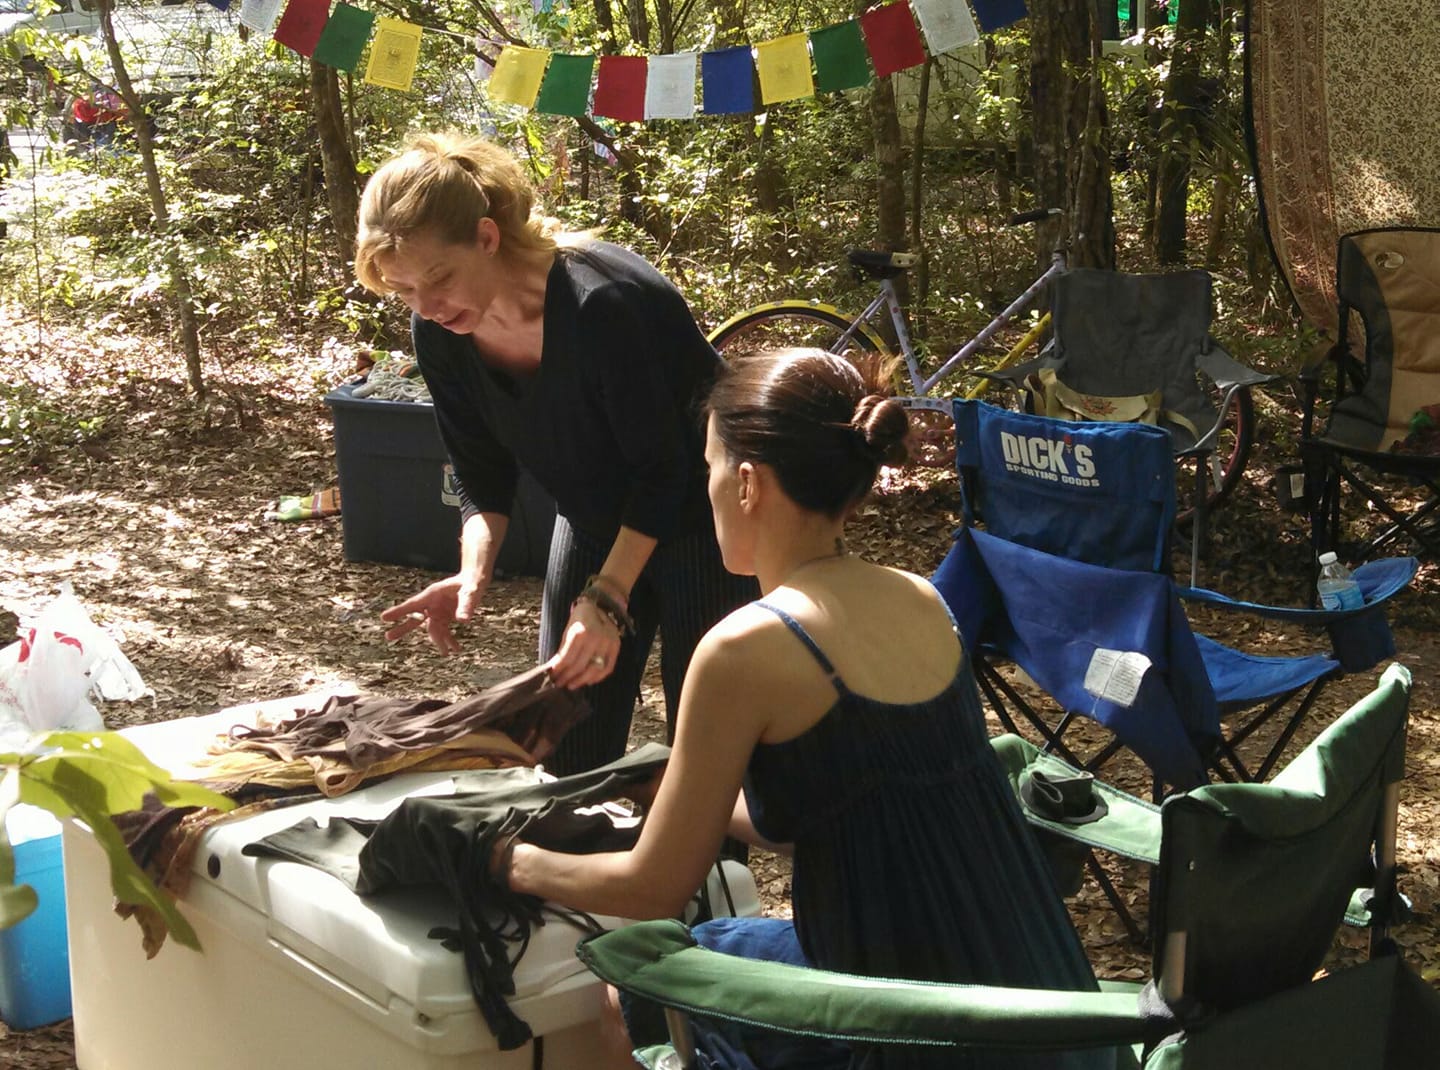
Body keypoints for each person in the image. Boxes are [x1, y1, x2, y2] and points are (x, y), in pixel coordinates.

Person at [499, 348, 1118, 1069]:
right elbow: (858, 803)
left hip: (905, 1024)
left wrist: (507, 861)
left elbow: (650, 887)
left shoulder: (744, 648)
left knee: (619, 993)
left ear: (748, 483)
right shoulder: (923, 597)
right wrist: (670, 786)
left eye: (710, 468)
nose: (707, 487)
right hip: (1039, 999)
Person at [354, 131, 757, 776]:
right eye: (404, 291)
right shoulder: (441, 333)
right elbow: (480, 471)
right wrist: (473, 570)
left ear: (487, 237)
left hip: (706, 521)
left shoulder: (604, 303)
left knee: (706, 752)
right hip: (594, 517)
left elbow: (665, 473)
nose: (426, 307)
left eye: (438, 279)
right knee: (564, 745)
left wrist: (606, 600)